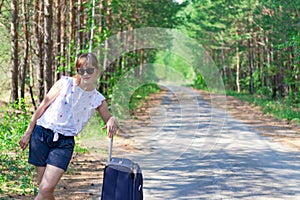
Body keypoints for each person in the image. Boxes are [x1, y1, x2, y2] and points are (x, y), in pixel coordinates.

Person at [19, 53, 118, 200]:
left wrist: (112, 120)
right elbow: (42, 106)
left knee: (46, 188)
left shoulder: (97, 98)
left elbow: (108, 117)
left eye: (89, 70)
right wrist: (28, 132)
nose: (85, 74)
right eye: (81, 70)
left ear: (96, 70)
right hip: (41, 135)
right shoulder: (64, 83)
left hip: (64, 143)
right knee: (44, 190)